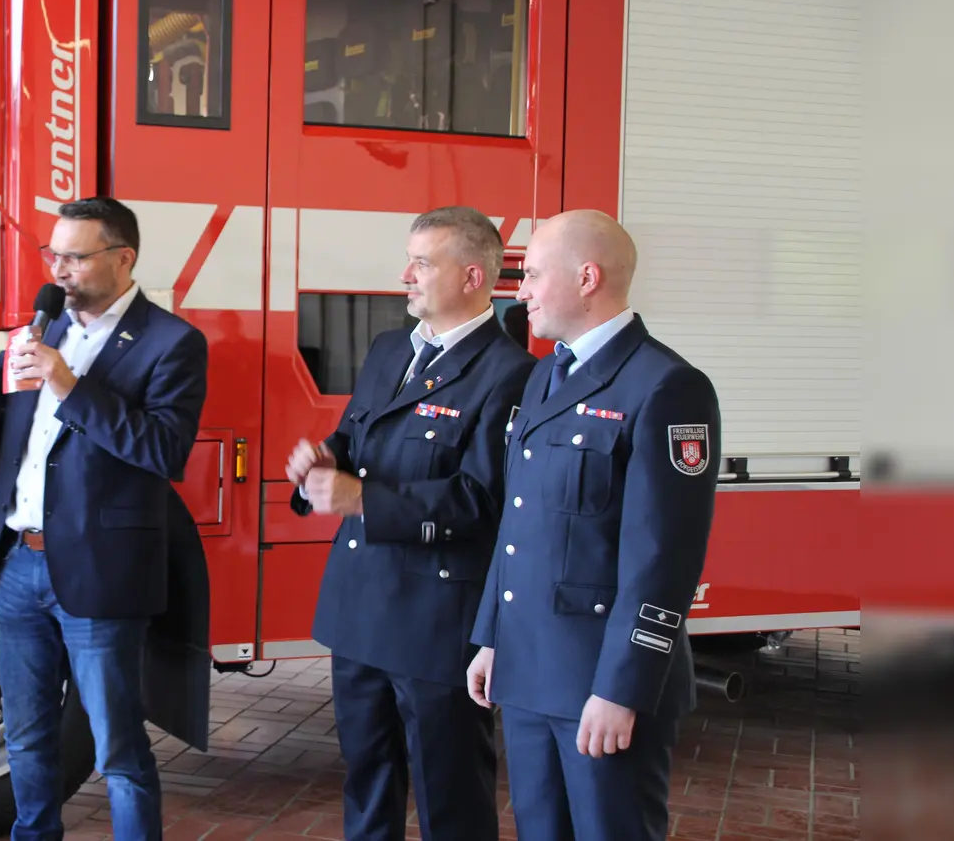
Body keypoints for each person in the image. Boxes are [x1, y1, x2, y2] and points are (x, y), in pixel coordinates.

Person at [0, 196, 208, 841]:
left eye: (75, 256)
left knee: (118, 751)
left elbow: (163, 451)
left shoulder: (172, 343)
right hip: (22, 566)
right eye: (53, 254)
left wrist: (69, 386)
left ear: (123, 258)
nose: (58, 269)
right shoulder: (42, 330)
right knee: (28, 737)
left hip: (102, 573)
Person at [466, 209, 722, 841]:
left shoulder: (667, 387)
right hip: (530, 673)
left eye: (531, 273)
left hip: (598, 688)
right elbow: (519, 519)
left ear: (587, 277)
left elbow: (663, 560)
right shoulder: (546, 374)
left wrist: (622, 689)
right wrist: (493, 635)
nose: (519, 290)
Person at [285, 206, 534, 841]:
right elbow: (354, 435)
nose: (405, 275)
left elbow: (481, 499)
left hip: (433, 619)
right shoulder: (390, 349)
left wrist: (361, 499)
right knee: (367, 778)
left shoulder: (509, 375)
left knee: (449, 791)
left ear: (473, 276)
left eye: (423, 263)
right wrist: (323, 460)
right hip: (361, 605)